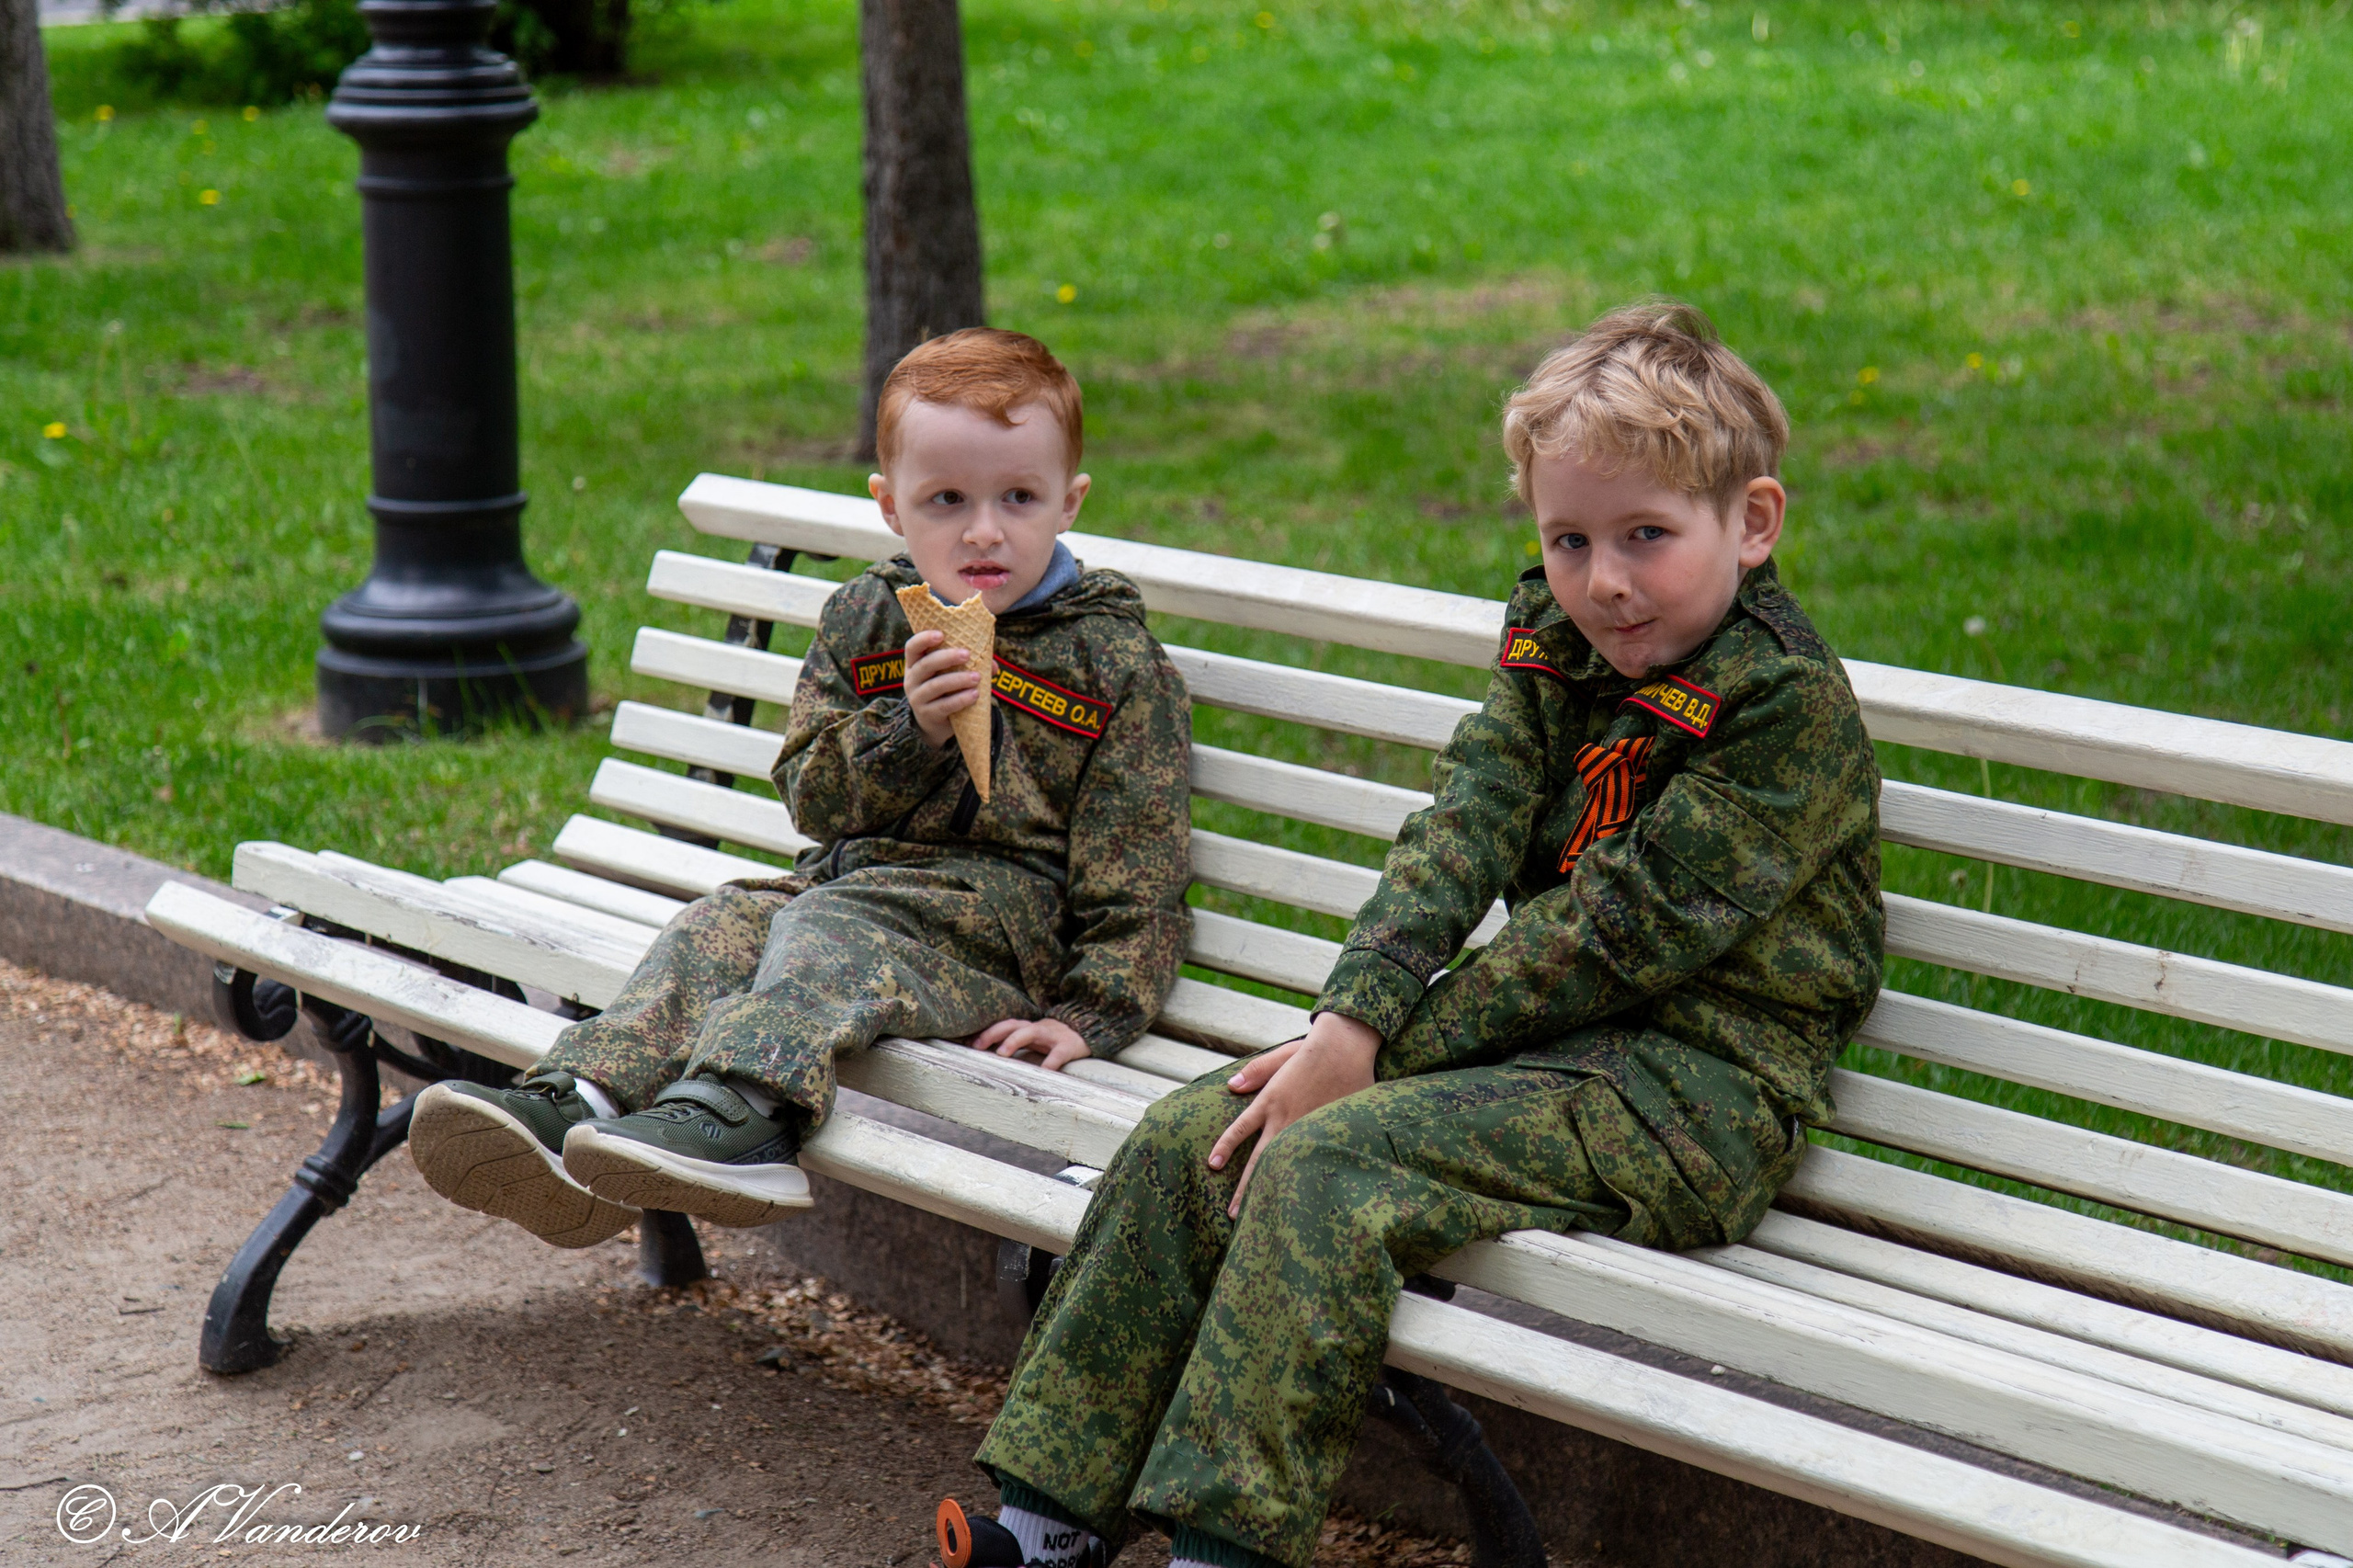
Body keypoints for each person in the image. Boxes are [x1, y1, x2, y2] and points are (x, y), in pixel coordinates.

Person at [943, 301, 1885, 1568]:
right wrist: (1351, 1020)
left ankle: (1228, 1545)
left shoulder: (1785, 712)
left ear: (1752, 523)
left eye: (1646, 536)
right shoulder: (1558, 644)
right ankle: (1046, 1517)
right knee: (1196, 1128)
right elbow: (1463, 825)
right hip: (1542, 1058)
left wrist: (1378, 1056)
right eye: (1569, 538)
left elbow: (1612, 937)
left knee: (1330, 1156)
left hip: (1696, 1091)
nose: (1604, 578)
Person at [407, 327, 1195, 1245]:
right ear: (891, 507)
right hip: (851, 876)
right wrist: (912, 729)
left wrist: (1088, 1012)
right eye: (946, 499)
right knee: (723, 919)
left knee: (822, 932)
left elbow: (1139, 865)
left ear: (1069, 501)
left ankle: (743, 1115)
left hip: (1001, 925)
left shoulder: (1111, 660)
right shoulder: (866, 617)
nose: (984, 529)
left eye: (1017, 497)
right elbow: (811, 799)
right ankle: (578, 1098)